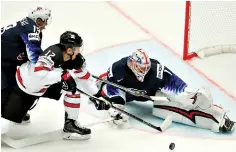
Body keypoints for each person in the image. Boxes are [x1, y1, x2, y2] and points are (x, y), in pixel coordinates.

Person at [1, 31, 110, 140]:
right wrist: (62, 76)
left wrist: (97, 95)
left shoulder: (76, 59)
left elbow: (85, 78)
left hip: (43, 87)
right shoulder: (53, 53)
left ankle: (70, 124)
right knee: (5, 126)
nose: (79, 51)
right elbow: (40, 73)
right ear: (69, 49)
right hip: (23, 86)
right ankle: (20, 109)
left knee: (73, 88)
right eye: (77, 48)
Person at [96, 48, 235, 133]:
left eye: (146, 68)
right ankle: (100, 82)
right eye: (140, 68)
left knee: (173, 104)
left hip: (150, 94)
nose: (143, 71)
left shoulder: (156, 70)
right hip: (128, 95)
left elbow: (177, 86)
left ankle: (215, 118)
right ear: (132, 63)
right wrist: (117, 109)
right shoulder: (117, 69)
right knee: (104, 91)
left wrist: (189, 95)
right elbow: (115, 92)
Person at [1, 6, 52, 122]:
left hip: (6, 60)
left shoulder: (29, 25)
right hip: (3, 60)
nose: (46, 25)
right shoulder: (32, 28)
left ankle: (10, 112)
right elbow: (34, 56)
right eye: (45, 21)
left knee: (11, 85)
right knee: (3, 87)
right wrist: (48, 64)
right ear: (38, 20)